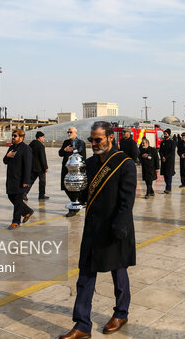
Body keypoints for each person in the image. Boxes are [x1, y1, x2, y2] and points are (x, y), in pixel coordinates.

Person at [59, 121, 136, 339]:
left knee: (119, 273)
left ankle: (121, 313)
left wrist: (119, 227)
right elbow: (84, 196)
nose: (93, 143)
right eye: (91, 140)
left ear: (110, 137)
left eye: (98, 139)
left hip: (114, 228)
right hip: (93, 228)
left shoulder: (124, 163)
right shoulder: (90, 163)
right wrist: (72, 188)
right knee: (85, 275)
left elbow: (126, 201)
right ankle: (82, 324)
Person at [3, 129, 34, 229]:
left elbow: (28, 166)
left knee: (17, 200)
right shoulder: (12, 147)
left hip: (20, 179)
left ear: (21, 137)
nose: (13, 137)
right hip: (11, 178)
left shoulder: (26, 149)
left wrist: (26, 181)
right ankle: (27, 211)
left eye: (15, 136)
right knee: (11, 197)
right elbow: (5, 161)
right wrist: (7, 156)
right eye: (12, 135)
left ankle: (16, 221)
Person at [59, 127, 87, 213]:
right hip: (66, 167)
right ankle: (76, 202)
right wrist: (65, 150)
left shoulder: (80, 142)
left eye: (70, 132)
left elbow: (81, 153)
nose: (69, 133)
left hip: (75, 169)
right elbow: (60, 153)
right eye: (68, 132)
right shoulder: (66, 142)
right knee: (65, 187)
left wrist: (71, 150)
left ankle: (74, 207)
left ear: (76, 133)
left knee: (74, 188)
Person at [28, 131, 49, 200]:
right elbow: (43, 157)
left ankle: (24, 193)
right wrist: (45, 167)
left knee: (30, 181)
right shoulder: (40, 146)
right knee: (42, 182)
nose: (44, 138)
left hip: (32, 166)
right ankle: (41, 195)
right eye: (43, 137)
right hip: (40, 167)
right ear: (40, 137)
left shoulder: (31, 144)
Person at [159, 129, 176, 194]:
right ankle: (167, 187)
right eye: (164, 134)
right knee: (165, 175)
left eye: (166, 134)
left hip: (169, 161)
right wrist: (162, 156)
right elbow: (160, 151)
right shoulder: (162, 142)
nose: (165, 135)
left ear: (169, 134)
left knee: (169, 175)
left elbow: (172, 152)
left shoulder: (172, 142)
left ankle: (168, 188)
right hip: (164, 161)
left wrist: (165, 157)